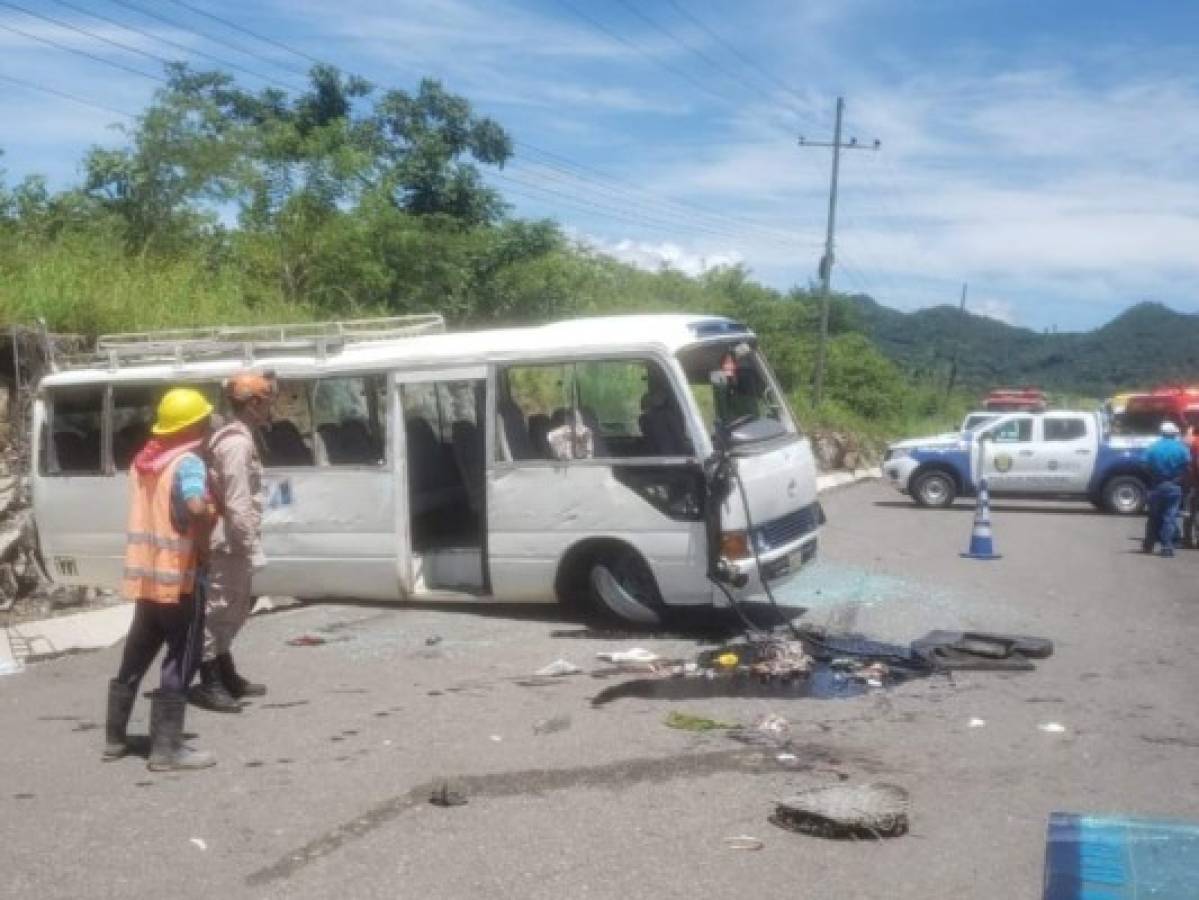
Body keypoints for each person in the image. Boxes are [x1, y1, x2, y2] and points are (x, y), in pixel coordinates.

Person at [103, 388, 217, 771]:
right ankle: (167, 749)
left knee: (136, 653)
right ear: (195, 425)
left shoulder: (144, 462)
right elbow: (195, 506)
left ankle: (115, 738)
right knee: (182, 658)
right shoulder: (187, 463)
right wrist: (207, 527)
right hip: (179, 578)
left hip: (146, 577)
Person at [189, 372, 274, 713]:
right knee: (219, 611)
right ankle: (209, 681)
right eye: (266, 402)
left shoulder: (239, 439)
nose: (270, 408)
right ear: (253, 403)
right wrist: (251, 549)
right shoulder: (236, 444)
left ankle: (225, 673)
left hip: (232, 538)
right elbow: (238, 503)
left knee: (235, 609)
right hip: (229, 542)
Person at [1142, 420, 1191, 558]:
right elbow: (1187, 466)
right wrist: (1179, 479)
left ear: (1161, 432)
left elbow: (1144, 464)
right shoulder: (1181, 448)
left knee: (1153, 516)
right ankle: (1167, 547)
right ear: (1174, 434)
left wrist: (1153, 476)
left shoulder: (1153, 447)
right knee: (1170, 517)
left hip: (1156, 485)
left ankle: (1149, 544)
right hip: (1174, 486)